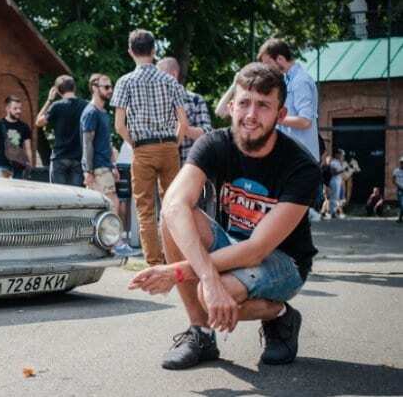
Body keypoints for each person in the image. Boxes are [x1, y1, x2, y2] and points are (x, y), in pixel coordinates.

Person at [128, 62, 320, 370]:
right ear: (231, 106)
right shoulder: (214, 144)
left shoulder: (301, 167)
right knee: (174, 220)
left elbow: (257, 249)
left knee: (211, 293)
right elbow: (174, 205)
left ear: (281, 115)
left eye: (263, 106)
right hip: (232, 243)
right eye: (244, 103)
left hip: (284, 261)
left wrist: (177, 272)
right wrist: (205, 274)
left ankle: (281, 315)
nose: (251, 115)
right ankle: (201, 334)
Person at [111, 29, 189, 267]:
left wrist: (135, 144)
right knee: (172, 206)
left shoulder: (125, 82)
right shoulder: (170, 81)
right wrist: (173, 143)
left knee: (145, 208)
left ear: (130, 52)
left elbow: (119, 125)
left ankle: (154, 262)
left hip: (143, 149)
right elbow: (183, 122)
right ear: (154, 51)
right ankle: (174, 256)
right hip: (168, 147)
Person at [81, 73, 134, 255]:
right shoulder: (90, 112)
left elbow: (107, 143)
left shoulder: (103, 113)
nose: (110, 90)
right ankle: (115, 243)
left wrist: (113, 165)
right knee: (113, 204)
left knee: (105, 206)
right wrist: (88, 170)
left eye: (110, 86)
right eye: (106, 87)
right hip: (97, 167)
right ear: (94, 88)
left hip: (105, 166)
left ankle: (106, 243)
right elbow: (87, 142)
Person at [257, 38, 320, 162]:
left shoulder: (300, 81)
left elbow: (305, 121)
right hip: (291, 158)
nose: (266, 68)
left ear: (280, 59)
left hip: (302, 160)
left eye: (268, 63)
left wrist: (274, 119)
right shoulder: (287, 81)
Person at [156, 57, 212, 164]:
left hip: (190, 168)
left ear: (173, 75)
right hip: (162, 170)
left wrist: (182, 127)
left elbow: (207, 134)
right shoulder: (154, 103)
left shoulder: (195, 100)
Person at [36, 75, 87, 186]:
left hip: (59, 157)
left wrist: (49, 100)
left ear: (58, 91)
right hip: (78, 158)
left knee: (59, 196)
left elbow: (38, 122)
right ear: (74, 88)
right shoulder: (85, 106)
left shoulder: (56, 106)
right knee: (77, 197)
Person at [0, 95, 33, 179]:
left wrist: (30, 167)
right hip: (1, 166)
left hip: (19, 168)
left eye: (20, 108)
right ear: (7, 109)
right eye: (15, 108)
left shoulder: (25, 127)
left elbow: (28, 148)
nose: (19, 111)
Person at [329, 149, 346, 218]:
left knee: (337, 197)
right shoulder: (333, 162)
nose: (342, 156)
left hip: (338, 181)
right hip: (334, 181)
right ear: (337, 154)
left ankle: (334, 212)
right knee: (334, 197)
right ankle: (332, 212)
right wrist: (343, 170)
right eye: (341, 155)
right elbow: (333, 172)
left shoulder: (338, 162)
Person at [394, 157, 403, 223]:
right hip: (400, 190)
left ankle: (400, 218)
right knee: (401, 204)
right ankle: (400, 218)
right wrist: (399, 186)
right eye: (402, 163)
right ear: (400, 163)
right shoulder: (396, 171)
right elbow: (393, 181)